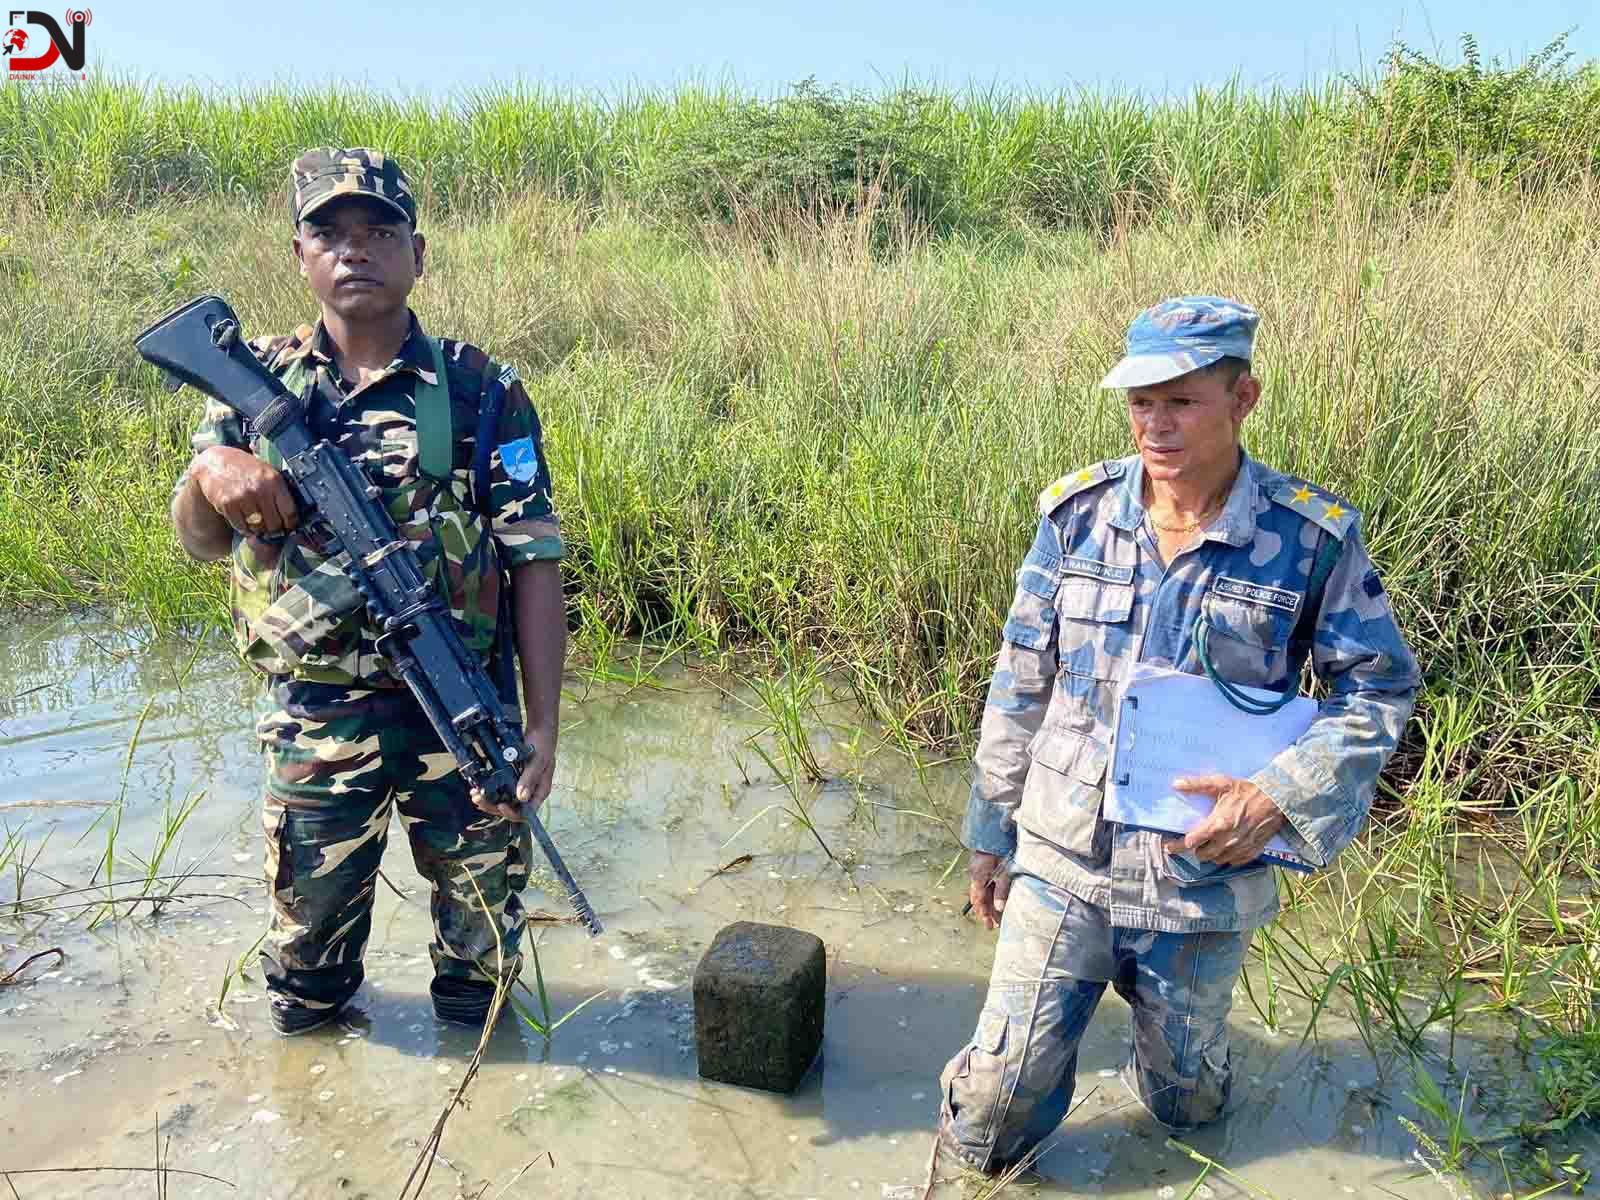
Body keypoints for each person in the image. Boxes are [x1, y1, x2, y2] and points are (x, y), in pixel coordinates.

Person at [935, 296, 1420, 1173]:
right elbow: (1020, 682)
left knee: (1186, 1108)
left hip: (1200, 868)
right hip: (1065, 853)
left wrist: (1278, 797)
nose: (1156, 426)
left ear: (1243, 399)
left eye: (1182, 402)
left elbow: (1379, 687)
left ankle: (1169, 1076)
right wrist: (989, 832)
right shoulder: (1078, 515)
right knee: (995, 1109)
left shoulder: (1308, 538)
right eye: (1141, 402)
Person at [169, 148, 567, 1036]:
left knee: (482, 981)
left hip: (462, 717)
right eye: (330, 234)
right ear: (299, 256)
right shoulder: (252, 383)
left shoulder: (481, 389)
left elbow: (535, 562)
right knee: (305, 985)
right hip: (315, 717)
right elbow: (200, 544)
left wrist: (542, 727)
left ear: (417, 254)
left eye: (379, 232)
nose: (355, 250)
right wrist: (209, 471)